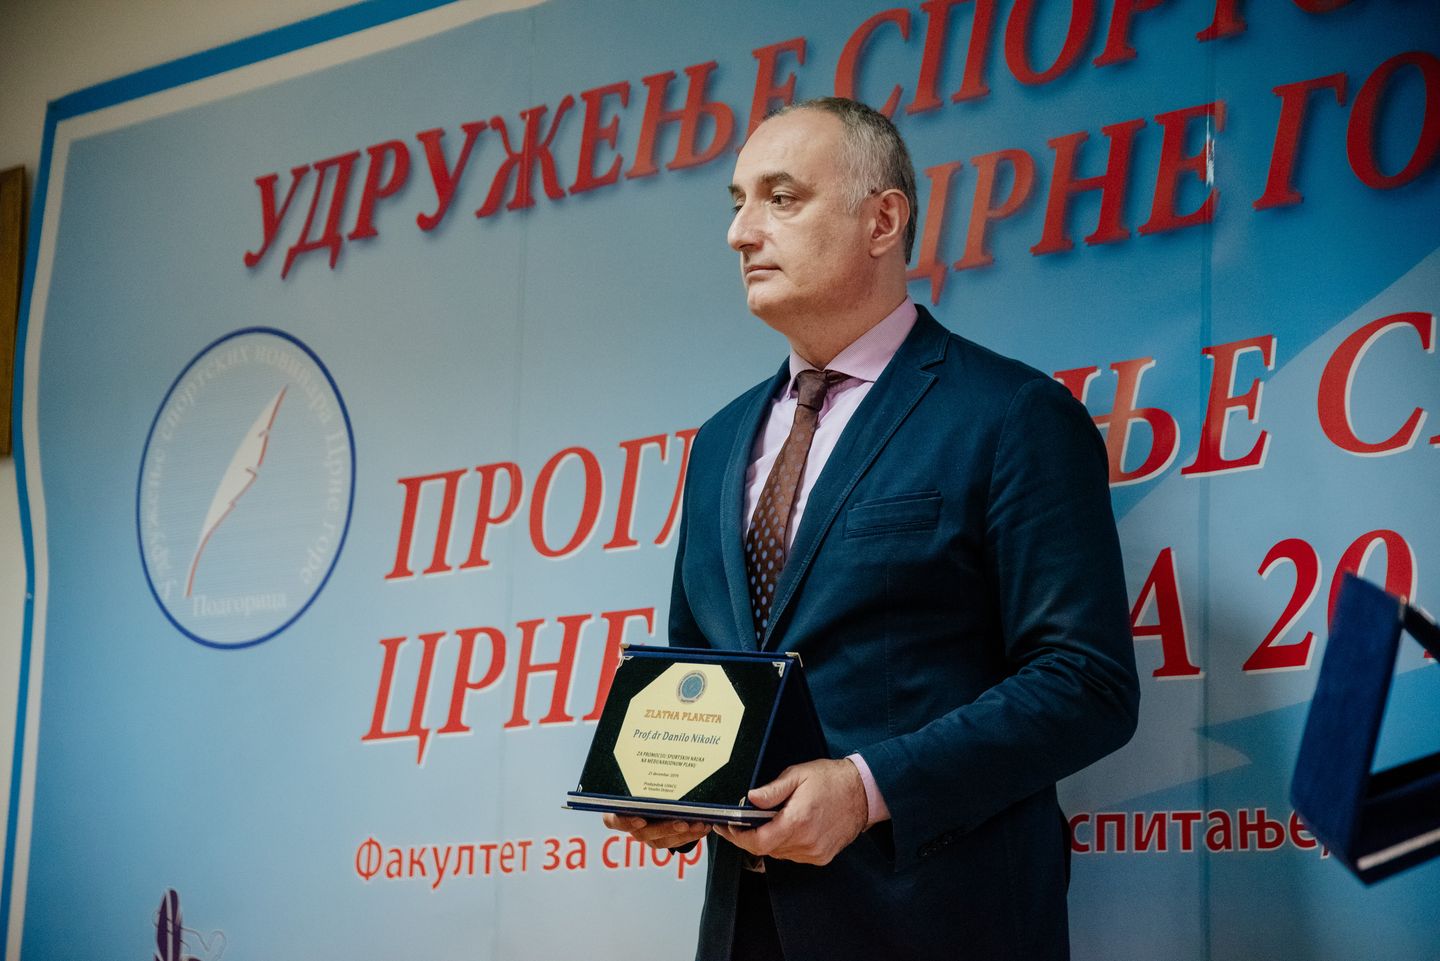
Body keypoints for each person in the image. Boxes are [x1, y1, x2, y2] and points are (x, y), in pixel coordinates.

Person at [604, 97, 1139, 961]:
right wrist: (674, 790)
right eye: (737, 202)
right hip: (746, 932)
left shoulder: (1011, 414)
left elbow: (1086, 683)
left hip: (941, 926)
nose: (741, 233)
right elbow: (704, 670)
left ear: (882, 220)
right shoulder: (717, 443)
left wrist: (866, 789)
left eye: (781, 198)